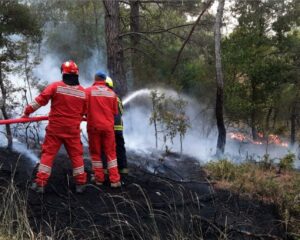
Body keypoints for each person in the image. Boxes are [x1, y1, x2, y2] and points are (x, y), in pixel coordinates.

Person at [22, 60, 87, 193]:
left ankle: (40, 184)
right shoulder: (83, 93)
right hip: (72, 130)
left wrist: (27, 112)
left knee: (48, 155)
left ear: (63, 73)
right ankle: (80, 184)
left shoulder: (55, 87)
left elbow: (40, 100)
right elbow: (86, 112)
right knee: (76, 156)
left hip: (55, 129)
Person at [85, 71, 121, 188]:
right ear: (105, 80)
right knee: (111, 153)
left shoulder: (88, 91)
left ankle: (99, 179)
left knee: (96, 153)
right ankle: (115, 180)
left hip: (94, 127)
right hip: (108, 128)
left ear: (95, 79)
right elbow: (115, 112)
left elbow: (84, 109)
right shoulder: (112, 94)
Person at [105, 77, 128, 176]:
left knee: (107, 148)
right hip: (119, 127)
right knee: (120, 147)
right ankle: (123, 169)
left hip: (109, 127)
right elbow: (122, 112)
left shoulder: (104, 97)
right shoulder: (117, 97)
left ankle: (106, 170)